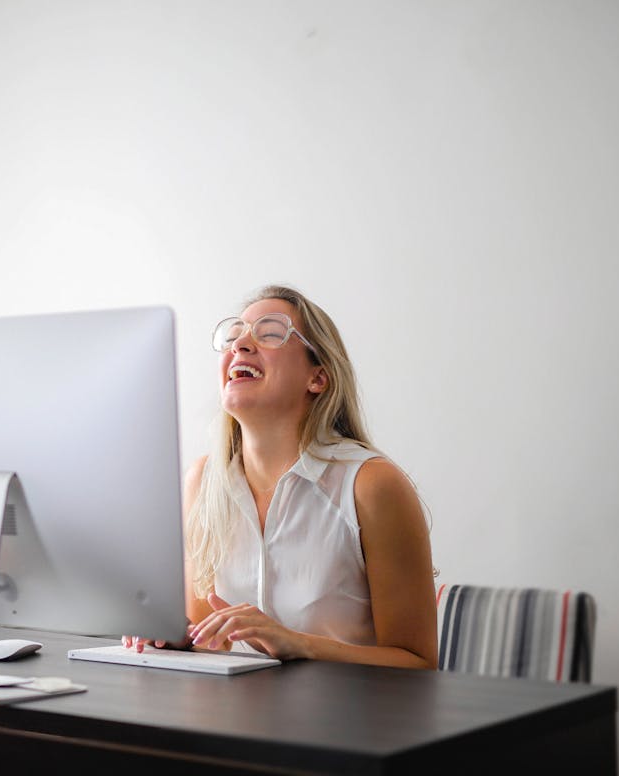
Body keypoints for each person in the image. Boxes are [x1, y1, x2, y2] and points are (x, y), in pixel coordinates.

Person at [124, 285, 438, 668]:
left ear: (318, 378)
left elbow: (419, 664)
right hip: (230, 721)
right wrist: (173, 639)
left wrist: (298, 644)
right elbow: (210, 640)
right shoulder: (202, 482)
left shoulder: (373, 486)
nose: (240, 344)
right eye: (235, 335)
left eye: (270, 332)